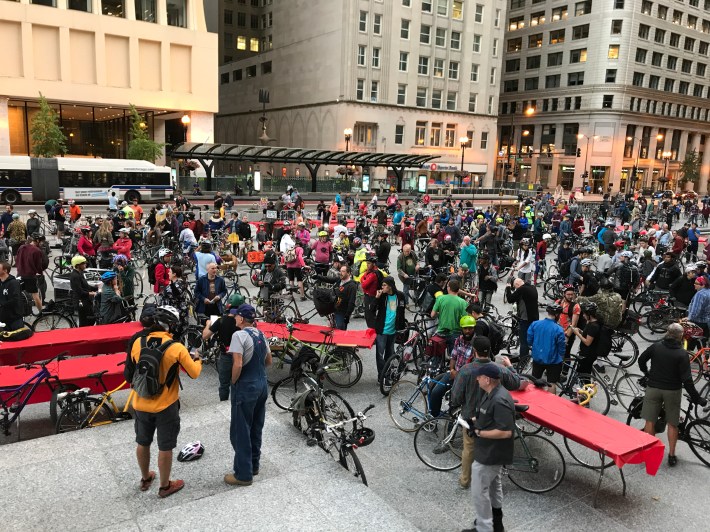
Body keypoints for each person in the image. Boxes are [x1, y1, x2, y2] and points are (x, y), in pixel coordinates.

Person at [125, 305, 202, 498]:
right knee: (165, 446)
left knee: (143, 442)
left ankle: (145, 478)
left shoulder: (138, 342)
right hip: (166, 406)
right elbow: (194, 373)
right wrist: (198, 359)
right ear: (170, 326)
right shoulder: (175, 347)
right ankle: (165, 486)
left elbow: (130, 374)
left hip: (140, 403)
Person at [639, 323, 707, 466]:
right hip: (672, 391)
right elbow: (687, 380)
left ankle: (650, 451)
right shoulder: (682, 354)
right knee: (672, 423)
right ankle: (671, 455)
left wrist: (647, 373)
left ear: (667, 333)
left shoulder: (656, 346)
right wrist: (697, 398)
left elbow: (641, 360)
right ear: (680, 336)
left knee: (649, 421)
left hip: (653, 388)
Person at [459, 363, 516, 532]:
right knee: (493, 486)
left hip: (491, 454)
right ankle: (497, 524)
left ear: (488, 379)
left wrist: (479, 433)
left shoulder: (499, 400)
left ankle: (484, 528)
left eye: (479, 376)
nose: (477, 379)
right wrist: (473, 421)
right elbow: (488, 416)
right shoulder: (492, 393)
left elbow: (505, 432)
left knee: (479, 492)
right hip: (489, 451)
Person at [224, 304, 271, 486]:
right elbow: (269, 361)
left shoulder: (239, 335)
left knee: (240, 430)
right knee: (256, 426)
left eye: (236, 316)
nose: (234, 318)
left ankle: (243, 474)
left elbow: (238, 364)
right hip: (261, 384)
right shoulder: (261, 334)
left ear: (242, 319)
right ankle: (254, 464)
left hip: (246, 386)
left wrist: (233, 381)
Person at [429, 315, 476, 418]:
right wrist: (451, 369)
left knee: (455, 402)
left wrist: (459, 375)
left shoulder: (476, 344)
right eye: (465, 328)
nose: (468, 331)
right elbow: (453, 357)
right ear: (461, 329)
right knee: (435, 391)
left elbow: (475, 367)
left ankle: (451, 424)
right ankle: (433, 417)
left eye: (470, 328)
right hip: (454, 373)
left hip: (466, 379)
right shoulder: (458, 340)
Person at [527, 304, 567, 393]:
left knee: (534, 380)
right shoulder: (559, 329)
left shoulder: (535, 324)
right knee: (551, 383)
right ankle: (550, 404)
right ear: (557, 315)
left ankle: (532, 399)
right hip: (554, 360)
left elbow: (529, 339)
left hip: (537, 358)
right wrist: (562, 356)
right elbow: (561, 347)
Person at [373, 277, 406, 381]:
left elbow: (402, 312)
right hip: (382, 330)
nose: (382, 287)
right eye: (382, 285)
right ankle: (382, 375)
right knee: (379, 355)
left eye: (384, 285)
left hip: (393, 331)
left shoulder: (400, 296)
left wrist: (402, 328)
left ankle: (386, 374)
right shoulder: (382, 296)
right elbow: (372, 309)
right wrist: (377, 298)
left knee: (389, 354)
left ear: (390, 286)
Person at [504, 278, 539, 367]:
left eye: (515, 287)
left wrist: (508, 288)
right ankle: (531, 359)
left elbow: (510, 299)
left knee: (524, 342)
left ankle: (522, 364)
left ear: (517, 285)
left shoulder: (522, 289)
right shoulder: (532, 287)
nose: (515, 289)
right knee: (532, 340)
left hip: (525, 319)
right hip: (535, 318)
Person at [431, 279, 469, 353]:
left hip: (441, 331)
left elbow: (432, 315)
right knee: (453, 356)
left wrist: (441, 313)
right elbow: (465, 320)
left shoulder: (440, 298)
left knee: (437, 353)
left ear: (448, 288)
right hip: (455, 333)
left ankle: (437, 362)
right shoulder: (463, 302)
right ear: (458, 289)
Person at [15, 234, 44, 312]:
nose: (42, 244)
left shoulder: (21, 247)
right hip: (30, 275)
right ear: (37, 241)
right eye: (41, 242)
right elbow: (38, 265)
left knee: (18, 294)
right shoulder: (37, 251)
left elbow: (16, 259)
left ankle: (19, 312)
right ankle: (41, 313)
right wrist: (39, 272)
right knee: (35, 295)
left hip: (20, 274)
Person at [570, 302, 601, 375]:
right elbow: (589, 334)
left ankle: (587, 387)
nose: (583, 315)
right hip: (587, 353)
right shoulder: (591, 323)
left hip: (588, 355)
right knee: (583, 375)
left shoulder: (593, 326)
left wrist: (577, 333)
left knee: (584, 377)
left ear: (590, 315)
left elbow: (587, 342)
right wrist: (580, 331)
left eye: (584, 314)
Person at [69, 255, 97, 326]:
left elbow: (85, 285)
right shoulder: (75, 276)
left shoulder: (80, 273)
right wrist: (90, 293)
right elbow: (79, 291)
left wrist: (96, 288)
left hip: (86, 300)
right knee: (85, 321)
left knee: (91, 319)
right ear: (78, 265)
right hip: (81, 302)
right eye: (83, 263)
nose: (85, 265)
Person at [360, 254, 384, 329]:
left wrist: (364, 279)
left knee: (370, 316)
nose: (367, 265)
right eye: (367, 263)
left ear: (373, 264)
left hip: (371, 297)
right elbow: (362, 278)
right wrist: (364, 279)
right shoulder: (371, 272)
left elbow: (363, 285)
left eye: (369, 263)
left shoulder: (373, 274)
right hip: (369, 296)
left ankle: (373, 333)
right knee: (369, 315)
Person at [0, 261, 24, 331]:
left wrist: (2, 304)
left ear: (5, 271)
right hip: (3, 317)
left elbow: (15, 299)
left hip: (14, 318)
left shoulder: (13, 283)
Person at [333, 265, 357, 330]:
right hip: (336, 310)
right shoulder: (340, 280)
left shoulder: (352, 286)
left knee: (340, 331)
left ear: (348, 273)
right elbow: (329, 279)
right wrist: (318, 276)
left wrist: (347, 316)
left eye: (343, 271)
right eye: (340, 271)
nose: (340, 273)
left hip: (342, 312)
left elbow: (351, 302)